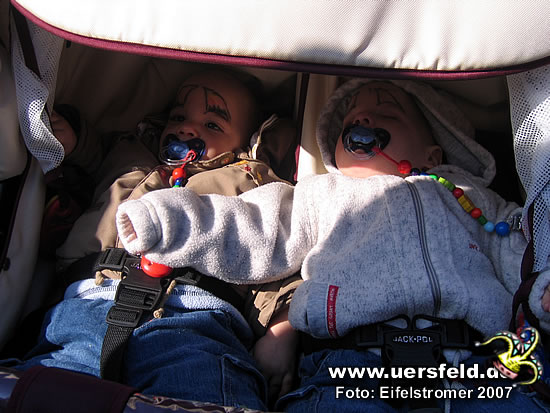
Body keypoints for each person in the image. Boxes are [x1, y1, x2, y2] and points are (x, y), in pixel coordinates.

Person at [114, 78, 550, 412]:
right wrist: (167, 220)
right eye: (352, 119)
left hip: (475, 365)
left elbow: (519, 253)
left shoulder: (472, 200)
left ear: (433, 155)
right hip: (352, 364)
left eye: (386, 113)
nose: (363, 120)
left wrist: (542, 291)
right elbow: (251, 227)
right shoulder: (318, 195)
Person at [2, 69, 301, 410]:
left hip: (192, 319)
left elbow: (279, 256)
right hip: (86, 307)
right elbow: (94, 151)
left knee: (204, 392)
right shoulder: (130, 155)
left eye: (212, 124)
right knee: (45, 391)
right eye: (178, 117)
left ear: (248, 142)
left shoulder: (248, 184)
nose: (187, 128)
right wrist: (72, 141)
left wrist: (281, 332)